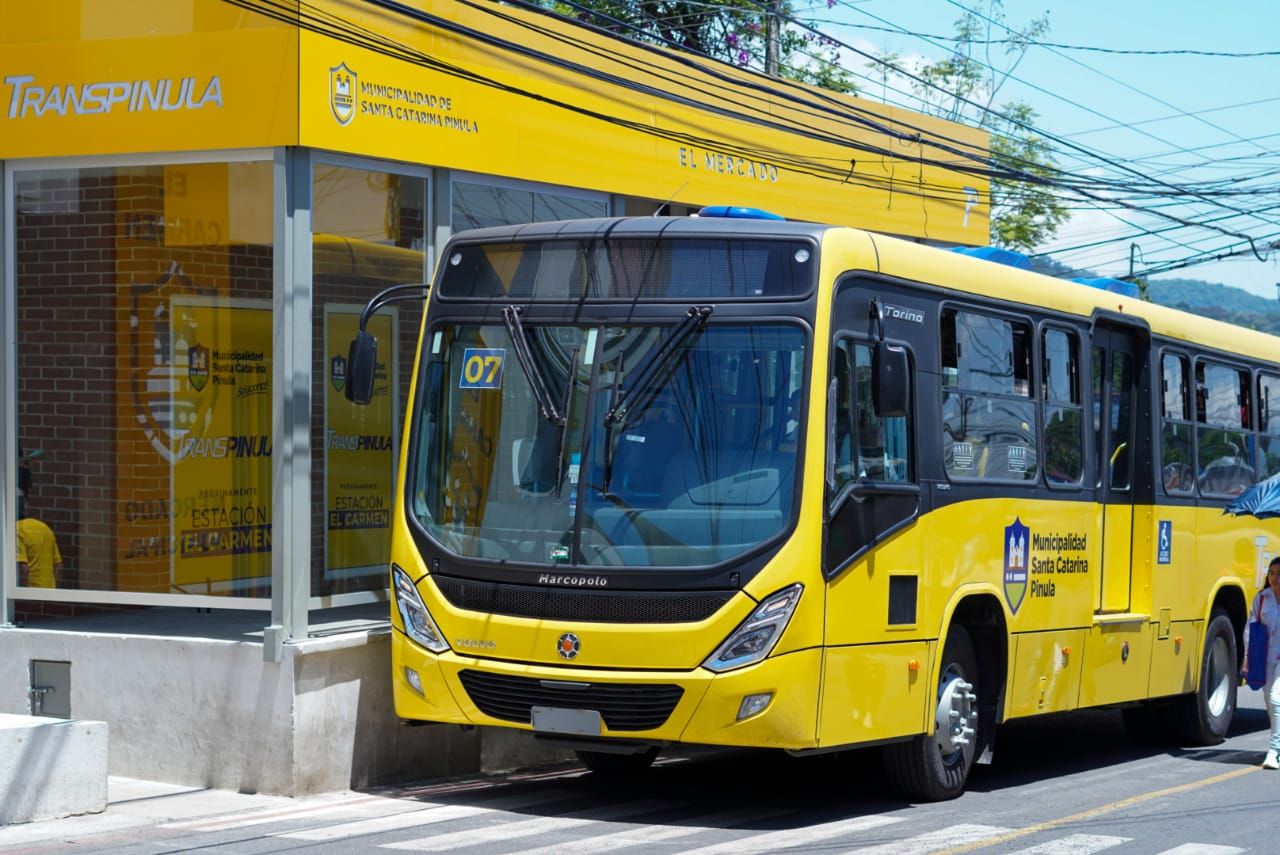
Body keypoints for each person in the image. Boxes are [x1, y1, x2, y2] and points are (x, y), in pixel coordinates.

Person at [1246, 556, 1280, 769]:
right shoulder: (1261, 598)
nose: (1276, 578)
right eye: (1272, 573)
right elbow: (1250, 629)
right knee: (1269, 699)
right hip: (1266, 657)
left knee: (1276, 698)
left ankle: (1275, 751)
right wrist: (1247, 660)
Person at [16, 489, 62, 589]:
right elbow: (58, 565)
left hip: (30, 595)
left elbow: (22, 568)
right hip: (47, 595)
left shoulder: (16, 529)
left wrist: (21, 595)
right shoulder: (44, 528)